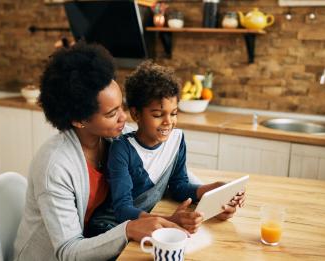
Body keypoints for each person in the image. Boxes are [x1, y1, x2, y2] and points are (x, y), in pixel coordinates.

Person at [13, 43, 185, 261]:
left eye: (122, 107)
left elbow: (160, 159)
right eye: (112, 113)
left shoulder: (115, 138)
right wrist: (129, 229)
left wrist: (208, 196)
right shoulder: (55, 167)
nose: (124, 117)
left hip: (98, 244)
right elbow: (68, 251)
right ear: (80, 120)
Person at [106, 61, 246, 234]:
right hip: (116, 228)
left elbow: (178, 187)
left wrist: (214, 189)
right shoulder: (122, 149)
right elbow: (122, 209)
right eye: (157, 114)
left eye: (173, 113)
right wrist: (169, 220)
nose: (168, 122)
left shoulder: (176, 140)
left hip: (152, 224)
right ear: (136, 114)